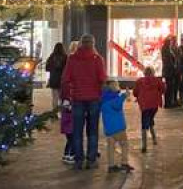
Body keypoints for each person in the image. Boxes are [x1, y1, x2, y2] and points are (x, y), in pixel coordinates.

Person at [61, 34, 107, 170]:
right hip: (94, 99)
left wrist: (66, 97)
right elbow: (102, 79)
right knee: (92, 131)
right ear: (93, 44)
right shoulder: (98, 59)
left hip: (77, 99)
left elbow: (65, 80)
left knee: (77, 131)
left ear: (81, 43)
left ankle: (78, 160)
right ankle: (91, 160)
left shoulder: (72, 59)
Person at [101, 80, 133, 173]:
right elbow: (117, 105)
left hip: (109, 129)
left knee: (110, 147)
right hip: (118, 128)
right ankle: (124, 163)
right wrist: (124, 95)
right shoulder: (114, 98)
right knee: (124, 144)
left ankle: (111, 165)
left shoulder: (103, 99)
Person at [133, 66, 165, 152]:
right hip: (154, 105)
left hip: (144, 105)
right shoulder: (157, 80)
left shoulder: (139, 81)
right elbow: (163, 89)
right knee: (150, 119)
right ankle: (154, 139)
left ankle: (144, 145)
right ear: (153, 72)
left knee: (144, 124)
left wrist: (138, 95)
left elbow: (135, 92)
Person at [45, 42, 67, 112]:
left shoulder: (51, 56)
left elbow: (47, 68)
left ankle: (54, 112)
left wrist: (53, 69)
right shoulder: (65, 57)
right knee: (62, 97)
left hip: (53, 78)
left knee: (55, 97)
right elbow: (67, 68)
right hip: (62, 79)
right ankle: (62, 112)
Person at [161, 36, 180, 109]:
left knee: (170, 87)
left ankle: (170, 102)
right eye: (170, 42)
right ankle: (167, 103)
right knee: (169, 87)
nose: (171, 43)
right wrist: (173, 66)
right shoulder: (165, 49)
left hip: (170, 71)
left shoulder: (168, 49)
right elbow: (168, 61)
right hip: (168, 71)